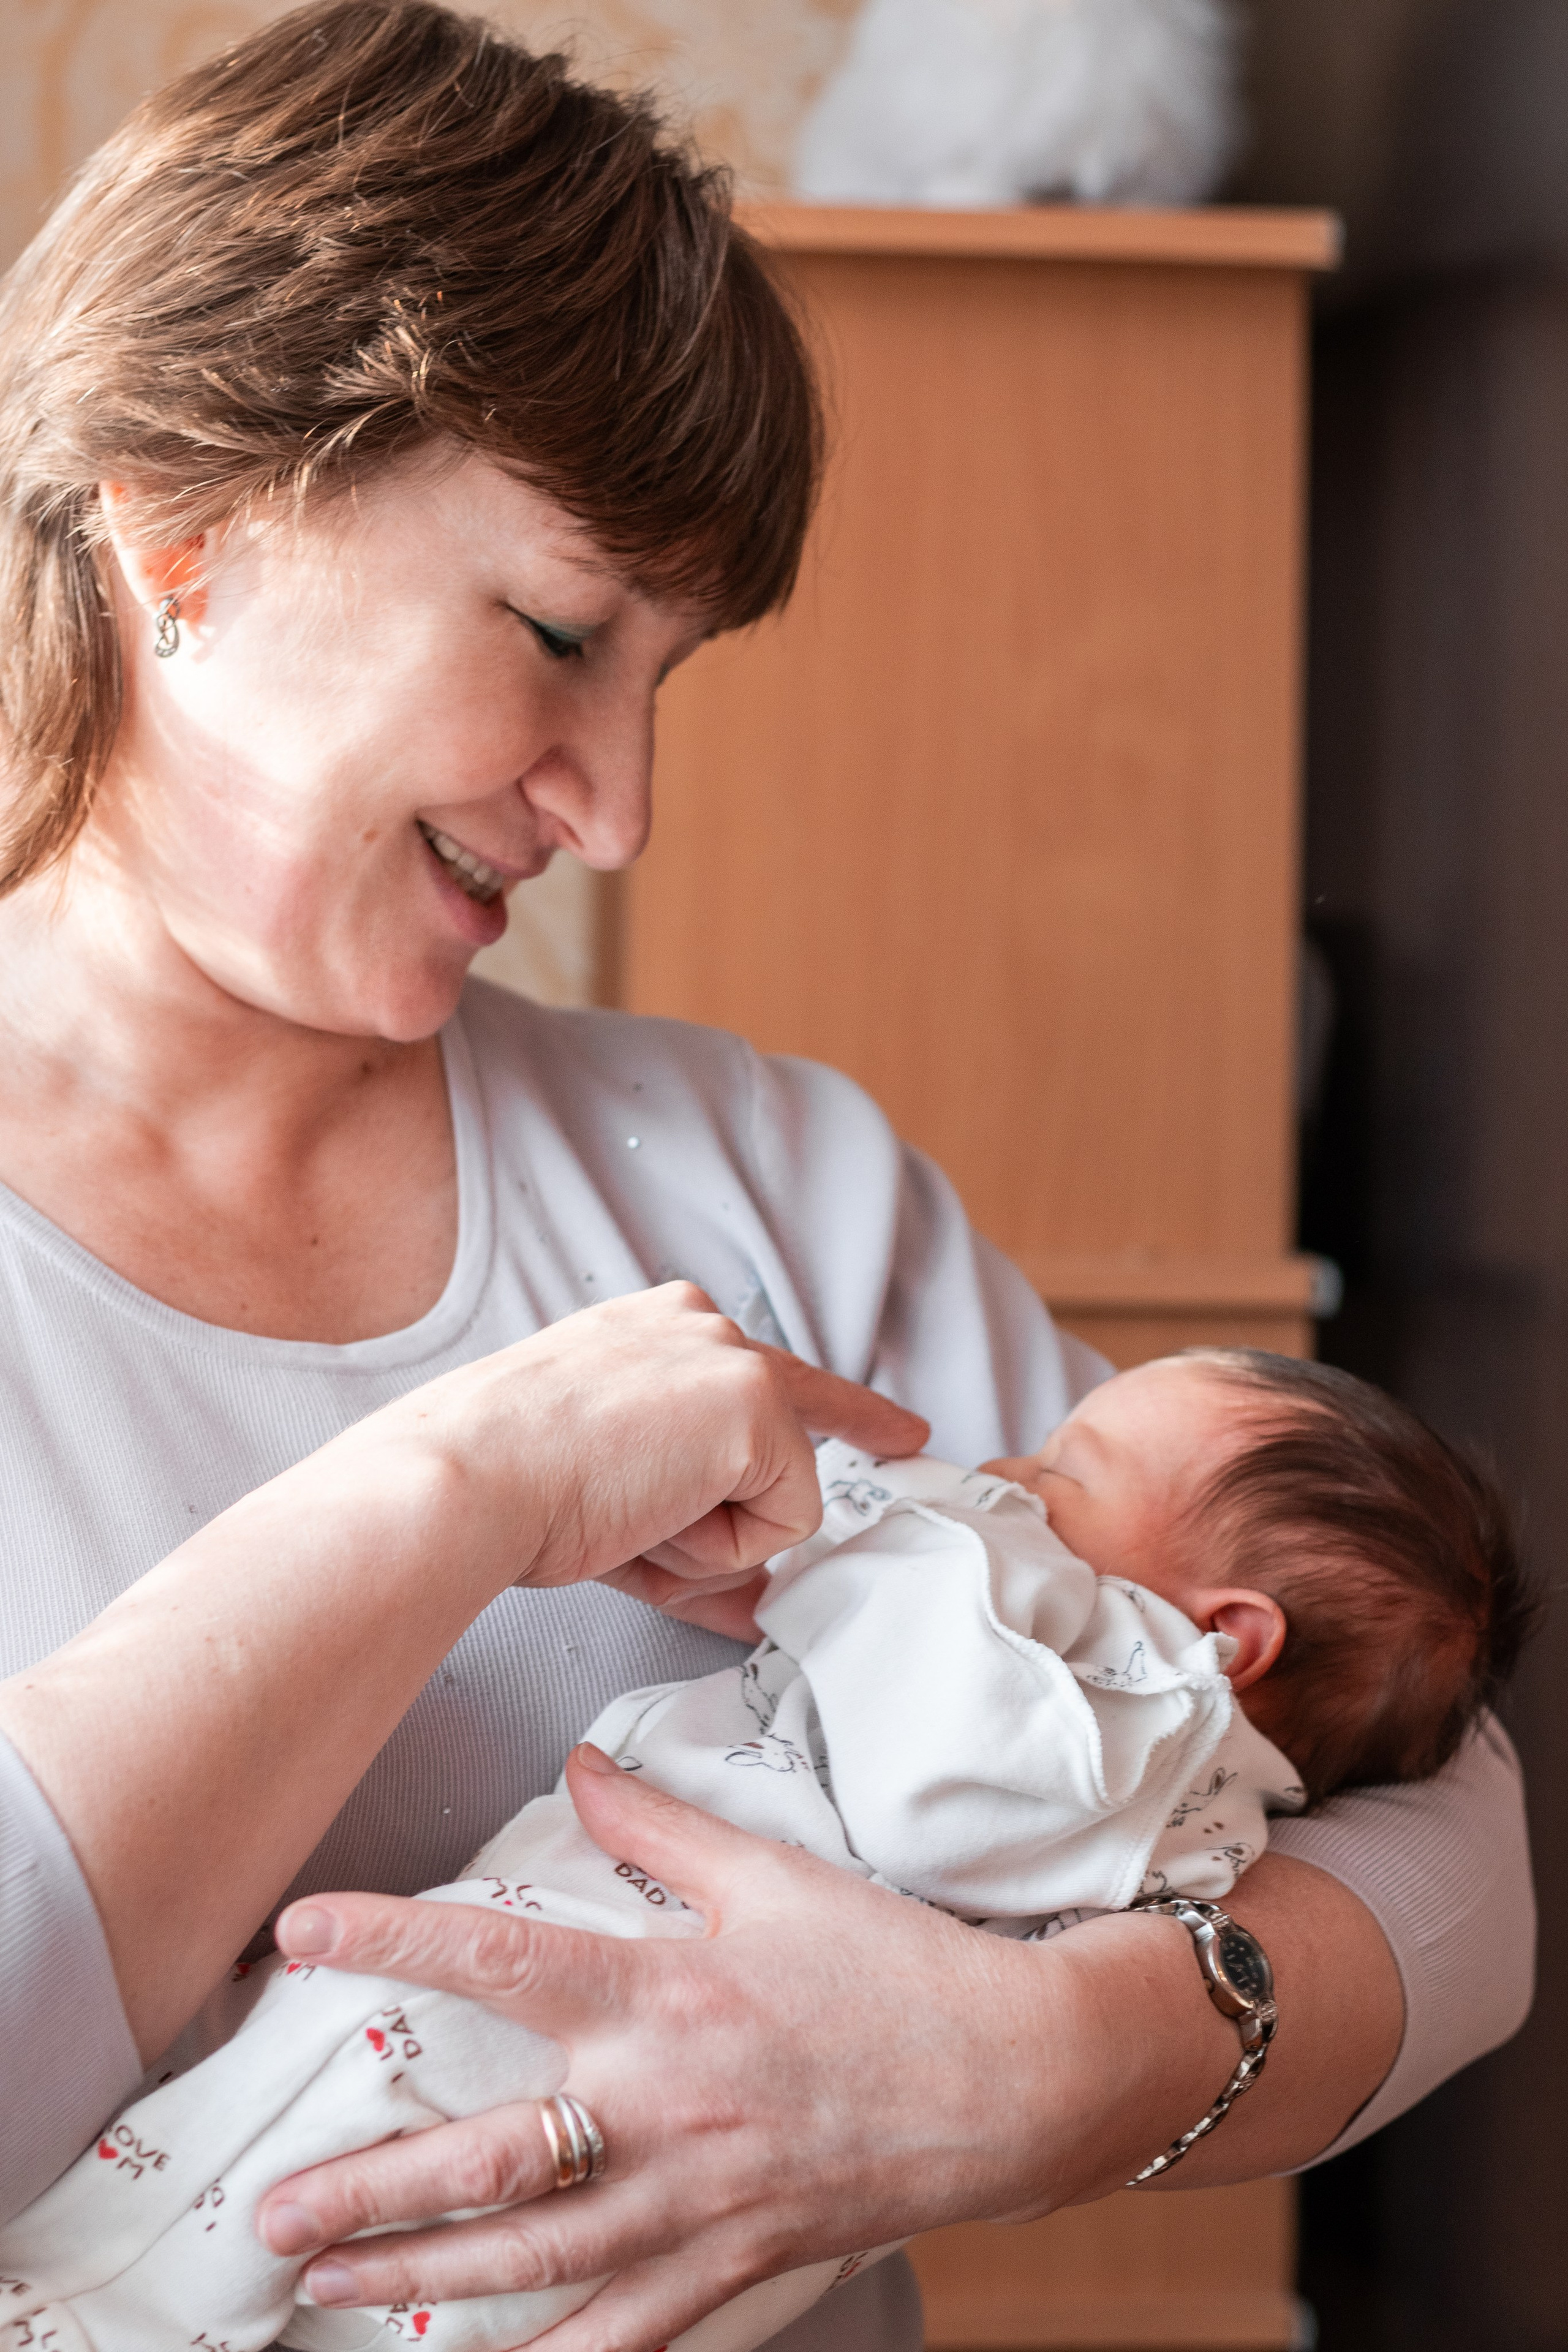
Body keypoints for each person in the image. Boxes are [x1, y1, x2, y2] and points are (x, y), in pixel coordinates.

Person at [0, 3, 1532, 2346]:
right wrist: (456, 1490)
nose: (617, 811)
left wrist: (1043, 2068)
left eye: (671, 680)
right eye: (557, 631)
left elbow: (1443, 1825)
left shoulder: (763, 1171)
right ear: (183, 528)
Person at [0, 1355, 1534, 2351]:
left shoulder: (1116, 1716)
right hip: (613, 2057)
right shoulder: (1146, 1723)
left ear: (1224, 1637)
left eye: (1057, 1480)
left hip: (601, 2032)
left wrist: (840, 1520)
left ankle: (89, 2309)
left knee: (334, 2111)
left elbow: (941, 1780)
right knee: (339, 2182)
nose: (1002, 1478)